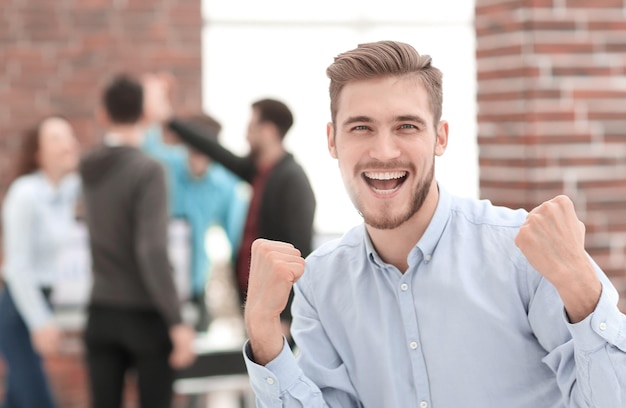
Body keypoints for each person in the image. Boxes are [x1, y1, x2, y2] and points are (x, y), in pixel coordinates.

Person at [242, 40, 626, 407]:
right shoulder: (320, 283)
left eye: (406, 126)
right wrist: (263, 335)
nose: (384, 151)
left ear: (440, 137)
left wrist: (581, 291)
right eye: (361, 127)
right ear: (332, 141)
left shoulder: (524, 255)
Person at [145, 79, 316, 339]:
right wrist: (169, 119)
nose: (246, 136)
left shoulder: (291, 180)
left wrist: (287, 315)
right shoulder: (260, 172)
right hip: (256, 302)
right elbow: (215, 150)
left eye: (251, 128)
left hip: (278, 311)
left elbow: (299, 251)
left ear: (268, 131)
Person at [79, 74, 196, 408]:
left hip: (100, 312)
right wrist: (176, 321)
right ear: (145, 115)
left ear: (103, 114)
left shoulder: (88, 166)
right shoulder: (148, 169)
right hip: (145, 316)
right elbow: (152, 250)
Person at [0, 115, 81, 408]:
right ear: (38, 153)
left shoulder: (69, 188)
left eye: (70, 136)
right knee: (37, 400)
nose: (68, 143)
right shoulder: (25, 194)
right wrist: (40, 322)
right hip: (18, 308)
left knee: (18, 399)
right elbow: (15, 265)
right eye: (56, 138)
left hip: (45, 299)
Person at [142, 113, 248, 331]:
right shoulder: (165, 165)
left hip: (195, 284)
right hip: (157, 284)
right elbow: (145, 144)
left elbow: (236, 239)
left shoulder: (225, 185)